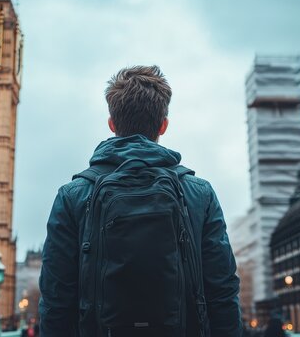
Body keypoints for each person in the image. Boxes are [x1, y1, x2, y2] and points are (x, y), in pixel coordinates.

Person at [38, 65, 242, 336]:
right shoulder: (200, 194)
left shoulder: (72, 196)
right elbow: (222, 292)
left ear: (112, 124)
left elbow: (56, 300)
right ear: (163, 125)